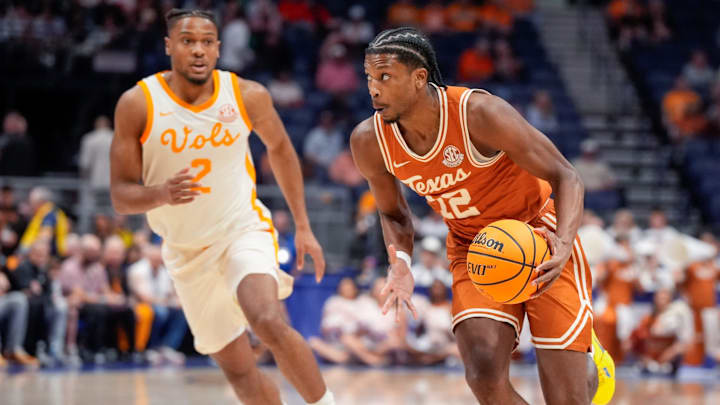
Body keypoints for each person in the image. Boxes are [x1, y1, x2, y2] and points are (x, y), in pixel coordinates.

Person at [349, 27, 615, 405]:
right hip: (474, 248)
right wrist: (401, 262)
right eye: (370, 78)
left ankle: (592, 364)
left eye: (385, 77)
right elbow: (393, 213)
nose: (373, 88)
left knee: (568, 399)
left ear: (419, 78)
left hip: (539, 235)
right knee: (483, 375)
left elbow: (566, 175)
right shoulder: (369, 141)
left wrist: (564, 245)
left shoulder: (479, 113)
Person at [109, 9, 333, 405]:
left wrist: (303, 224)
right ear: (169, 46)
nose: (198, 50)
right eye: (188, 41)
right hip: (185, 252)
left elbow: (281, 148)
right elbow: (121, 195)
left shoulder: (247, 95)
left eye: (207, 42)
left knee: (266, 319)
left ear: (218, 47)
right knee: (239, 370)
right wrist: (161, 193)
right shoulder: (138, 103)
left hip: (241, 230)